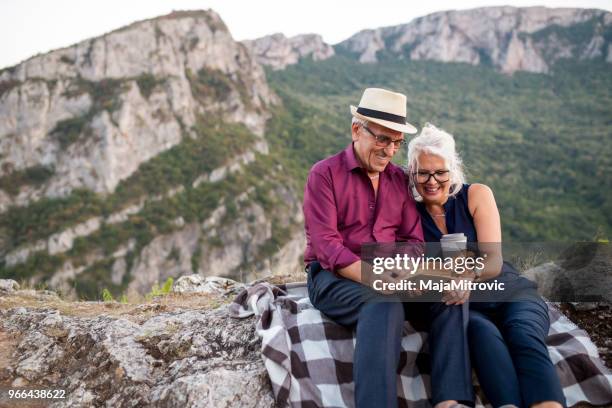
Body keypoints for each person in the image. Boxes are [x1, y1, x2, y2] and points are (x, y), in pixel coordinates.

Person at [304, 88, 475, 408]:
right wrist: (376, 277)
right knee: (385, 305)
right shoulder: (323, 174)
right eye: (383, 140)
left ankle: (451, 401)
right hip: (334, 276)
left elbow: (412, 241)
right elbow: (327, 247)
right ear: (356, 130)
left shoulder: (399, 180)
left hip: (389, 272)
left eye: (397, 142)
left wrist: (401, 270)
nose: (390, 151)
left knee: (450, 294)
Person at [407, 123, 566, 408]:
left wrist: (469, 274)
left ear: (453, 170)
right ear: (412, 173)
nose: (431, 181)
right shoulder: (410, 214)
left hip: (510, 292)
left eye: (440, 172)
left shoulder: (476, 195)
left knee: (524, 335)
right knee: (484, 339)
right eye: (423, 172)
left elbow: (493, 260)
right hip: (469, 307)